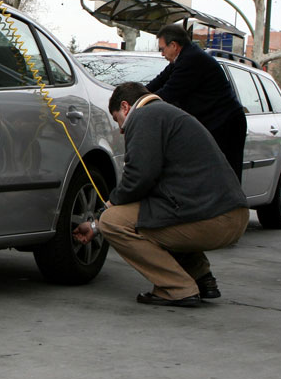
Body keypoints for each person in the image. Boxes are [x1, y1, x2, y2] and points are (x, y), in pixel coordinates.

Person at [73, 82, 249, 307]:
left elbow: (139, 179)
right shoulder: (169, 115)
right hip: (230, 214)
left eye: (117, 119)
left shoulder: (144, 117)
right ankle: (201, 277)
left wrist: (103, 214)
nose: (120, 129)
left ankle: (177, 288)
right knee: (154, 214)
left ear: (126, 107)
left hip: (213, 220)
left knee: (114, 223)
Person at [146, 24, 247, 181]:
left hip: (226, 124)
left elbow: (167, 93)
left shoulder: (191, 60)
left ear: (174, 45)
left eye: (162, 49)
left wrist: (141, 105)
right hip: (214, 122)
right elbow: (158, 81)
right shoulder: (182, 58)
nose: (162, 54)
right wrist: (136, 94)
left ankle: (232, 205)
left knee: (226, 174)